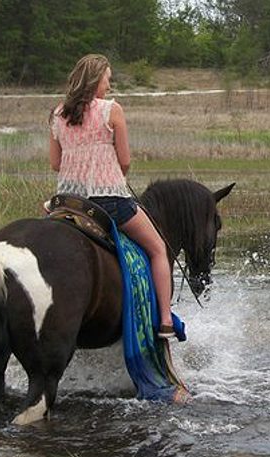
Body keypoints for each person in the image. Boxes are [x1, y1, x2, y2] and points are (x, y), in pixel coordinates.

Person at [49, 54, 176, 340]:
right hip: (109, 201)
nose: (109, 84)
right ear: (96, 80)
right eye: (107, 78)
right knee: (157, 248)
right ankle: (166, 320)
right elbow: (125, 159)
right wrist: (113, 171)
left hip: (69, 203)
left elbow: (55, 164)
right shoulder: (111, 110)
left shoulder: (57, 114)